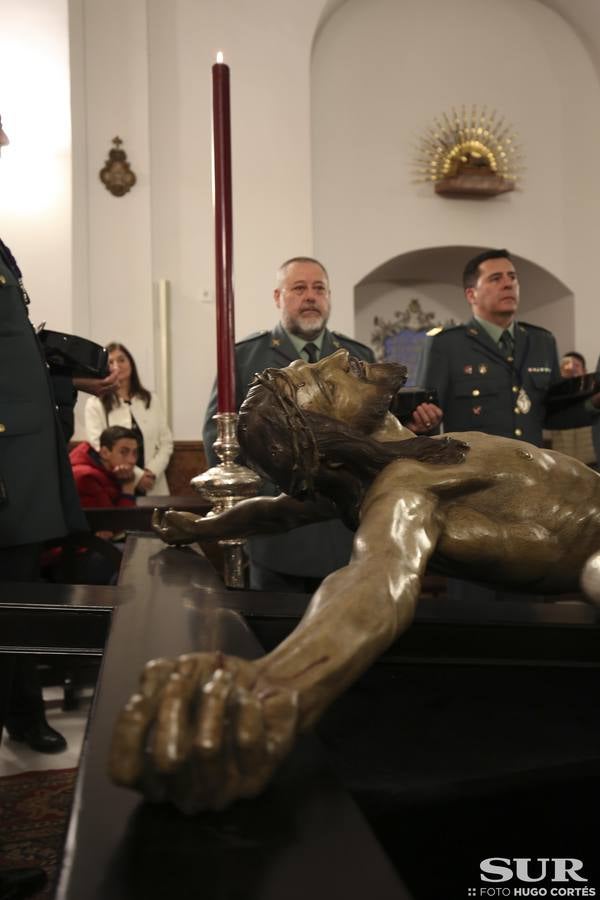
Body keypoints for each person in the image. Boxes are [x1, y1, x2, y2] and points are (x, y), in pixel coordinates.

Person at [111, 349, 600, 813]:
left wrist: (204, 527)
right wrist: (277, 683)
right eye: (326, 382)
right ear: (328, 438)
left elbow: (276, 514)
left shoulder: (379, 473)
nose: (340, 358)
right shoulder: (406, 485)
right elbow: (377, 579)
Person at [202, 255, 440, 592]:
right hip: (280, 531)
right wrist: (271, 500)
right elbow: (219, 436)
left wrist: (417, 431)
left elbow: (378, 432)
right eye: (299, 288)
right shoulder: (245, 358)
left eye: (319, 289)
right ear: (277, 297)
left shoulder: (356, 356)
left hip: (344, 530)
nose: (310, 296)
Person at [415, 248, 600, 445]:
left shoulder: (542, 341)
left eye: (512, 277)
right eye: (496, 279)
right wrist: (421, 425)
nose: (508, 284)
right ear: (471, 295)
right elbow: (425, 419)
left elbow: (551, 416)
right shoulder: (446, 344)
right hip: (475, 472)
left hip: (532, 470)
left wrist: (594, 403)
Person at [85, 342, 173, 495]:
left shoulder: (150, 399)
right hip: (118, 482)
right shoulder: (95, 403)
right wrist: (138, 476)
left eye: (121, 360)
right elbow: (99, 445)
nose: (117, 365)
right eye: (110, 362)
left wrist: (151, 473)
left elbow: (166, 443)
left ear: (130, 362)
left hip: (154, 483)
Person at [70, 425, 138, 509]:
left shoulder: (115, 472)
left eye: (135, 453)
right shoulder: (86, 478)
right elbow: (113, 520)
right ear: (104, 453)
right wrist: (128, 489)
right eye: (123, 452)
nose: (132, 460)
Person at [548, 352, 596, 467]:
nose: (571, 368)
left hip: (592, 463)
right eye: (566, 364)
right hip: (562, 465)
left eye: (576, 365)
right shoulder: (553, 397)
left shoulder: (594, 396)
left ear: (584, 370)